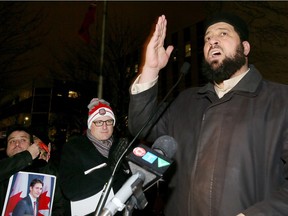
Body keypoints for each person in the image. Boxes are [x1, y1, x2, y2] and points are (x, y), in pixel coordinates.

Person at [128, 13, 288, 216]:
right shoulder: (186, 101)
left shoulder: (281, 100)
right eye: (207, 38)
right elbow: (140, 126)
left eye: (223, 33)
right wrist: (150, 69)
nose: (213, 40)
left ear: (245, 48)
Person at [59, 98, 130, 215]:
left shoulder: (121, 146)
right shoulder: (74, 147)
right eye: (99, 122)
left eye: (109, 121)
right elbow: (70, 189)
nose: (105, 126)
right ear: (90, 124)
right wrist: (110, 170)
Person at [0, 125, 66, 215]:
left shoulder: (46, 171)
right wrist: (27, 156)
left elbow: (59, 206)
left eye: (23, 140)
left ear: (32, 146)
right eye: (12, 141)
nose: (17, 144)